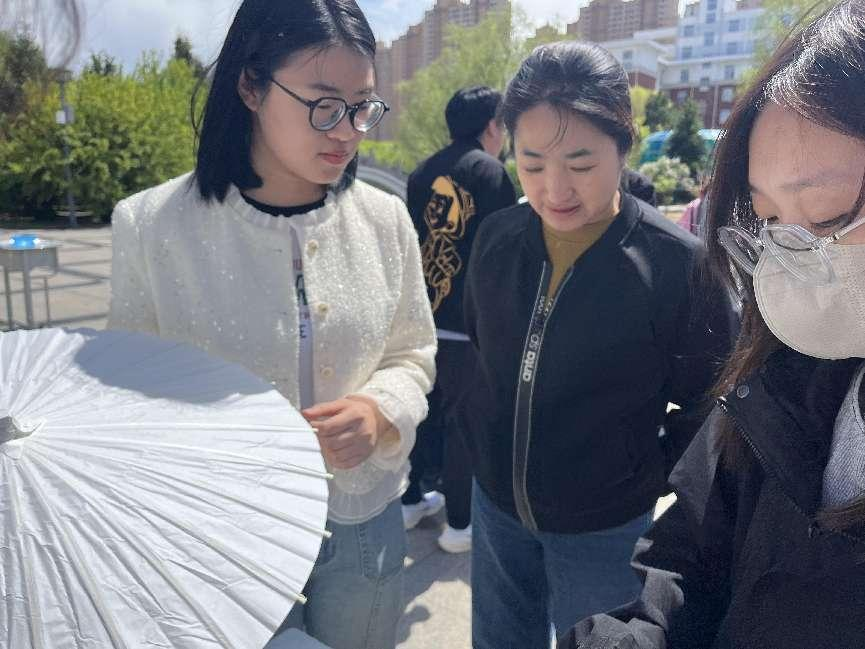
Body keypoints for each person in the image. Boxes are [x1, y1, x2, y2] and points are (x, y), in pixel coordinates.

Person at [106, 2, 436, 649]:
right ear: (251, 86)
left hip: (362, 521)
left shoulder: (385, 219)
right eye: (323, 104)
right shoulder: (151, 227)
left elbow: (413, 352)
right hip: (223, 533)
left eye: (362, 106)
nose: (347, 131)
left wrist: (379, 411)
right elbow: (130, 402)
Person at [560, 2, 865, 647]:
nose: (788, 258)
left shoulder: (668, 258)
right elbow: (691, 556)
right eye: (768, 221)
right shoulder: (789, 365)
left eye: (828, 218)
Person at [460, 41, 735, 648]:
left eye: (580, 163)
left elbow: (714, 404)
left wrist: (643, 474)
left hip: (604, 527)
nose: (554, 188)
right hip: (495, 504)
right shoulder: (498, 238)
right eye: (532, 164)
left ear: (622, 145)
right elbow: (482, 350)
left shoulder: (676, 265)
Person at [402, 85, 516, 553]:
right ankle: (459, 523)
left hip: (422, 319)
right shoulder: (491, 172)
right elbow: (507, 252)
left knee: (422, 415)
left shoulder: (421, 173)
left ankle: (410, 500)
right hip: (469, 324)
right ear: (491, 126)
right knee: (463, 424)